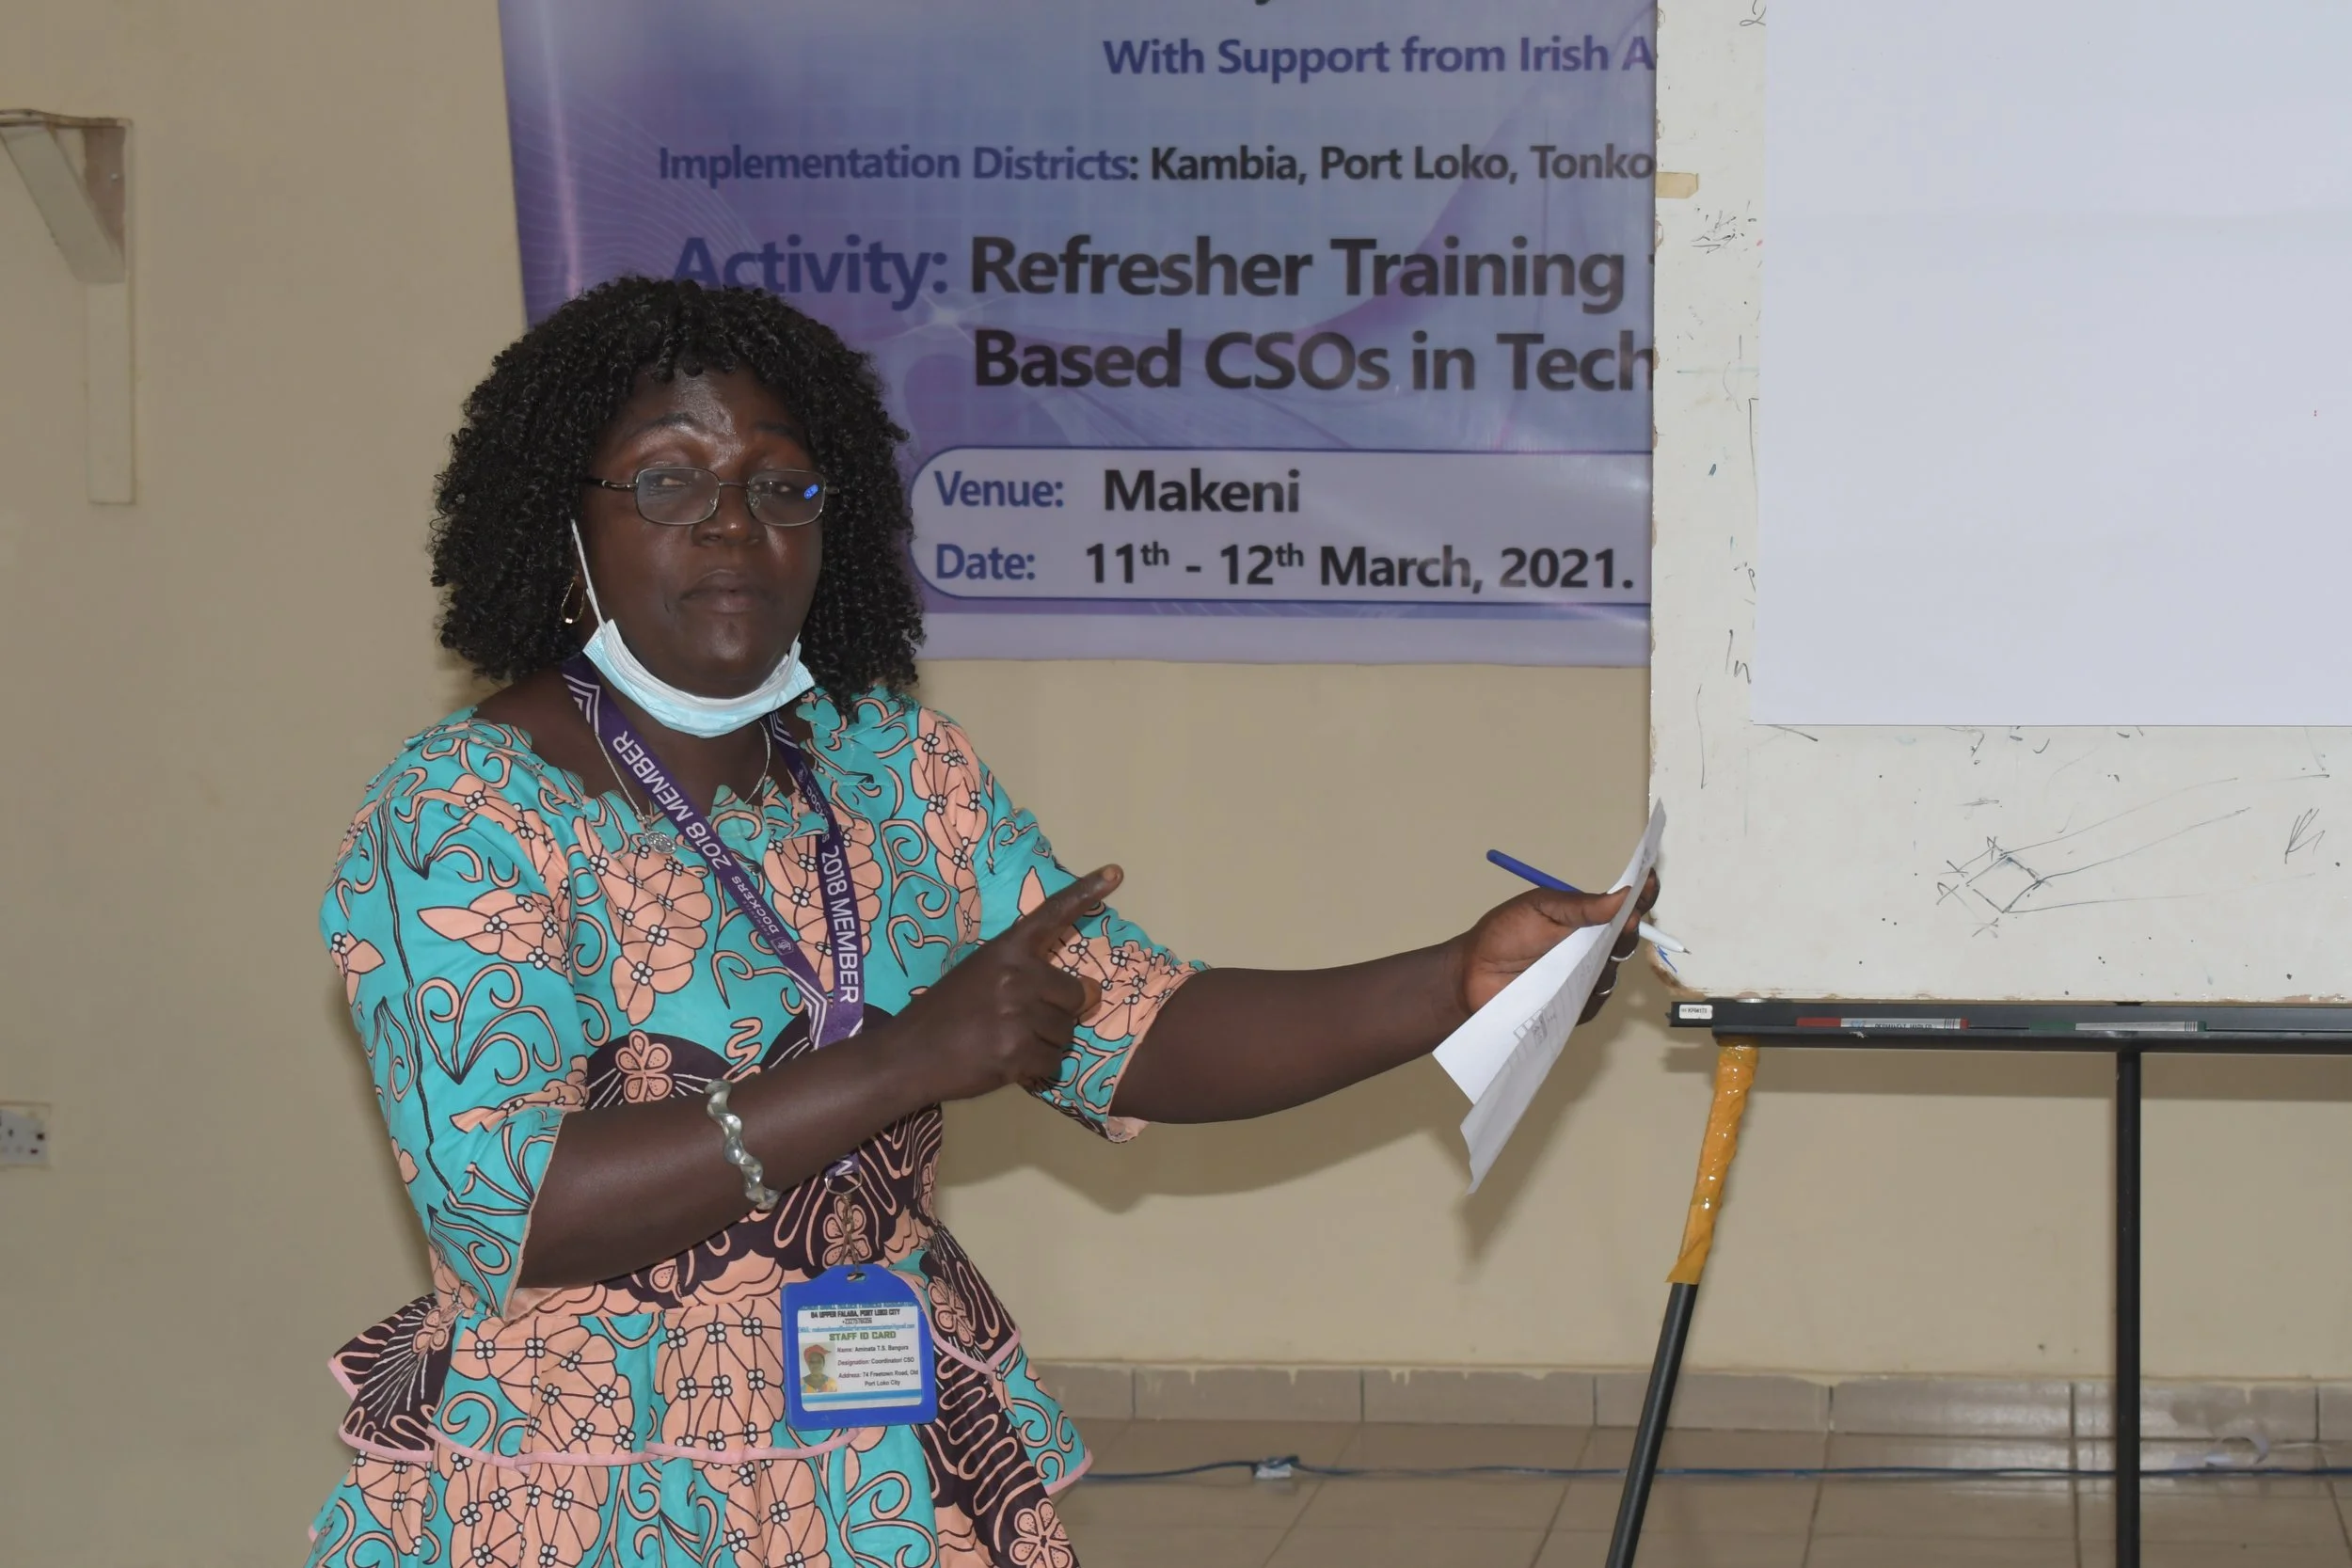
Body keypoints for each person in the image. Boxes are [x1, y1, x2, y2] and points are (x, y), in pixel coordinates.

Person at [307, 277, 1659, 1568]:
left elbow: (1133, 1026)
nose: (733, 524)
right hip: (591, 1484)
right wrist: (903, 1060)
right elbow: (513, 1206)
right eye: (669, 480)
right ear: (563, 523)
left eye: (781, 485)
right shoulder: (463, 811)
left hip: (883, 1466)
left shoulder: (895, 767)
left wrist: (1456, 980)